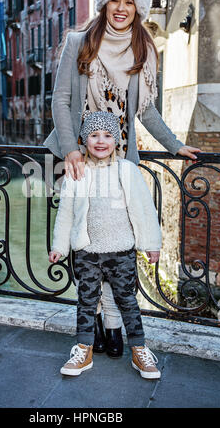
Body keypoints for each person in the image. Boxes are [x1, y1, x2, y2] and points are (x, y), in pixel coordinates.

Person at [44, 0, 202, 356]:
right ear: (103, 2)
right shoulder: (79, 42)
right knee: (85, 245)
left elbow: (146, 110)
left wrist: (172, 143)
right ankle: (95, 322)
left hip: (120, 163)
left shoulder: (144, 48)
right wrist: (70, 150)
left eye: (129, 1)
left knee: (117, 250)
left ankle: (113, 325)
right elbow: (60, 102)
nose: (120, 7)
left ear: (139, 7)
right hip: (78, 157)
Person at [49, 111, 162, 379]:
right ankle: (83, 350)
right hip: (87, 252)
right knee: (86, 302)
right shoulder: (77, 173)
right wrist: (59, 247)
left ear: (118, 140)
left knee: (127, 302)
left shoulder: (128, 171)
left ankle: (140, 351)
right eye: (94, 135)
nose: (101, 141)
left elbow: (144, 210)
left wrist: (150, 244)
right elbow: (65, 214)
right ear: (83, 140)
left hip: (121, 251)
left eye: (108, 135)